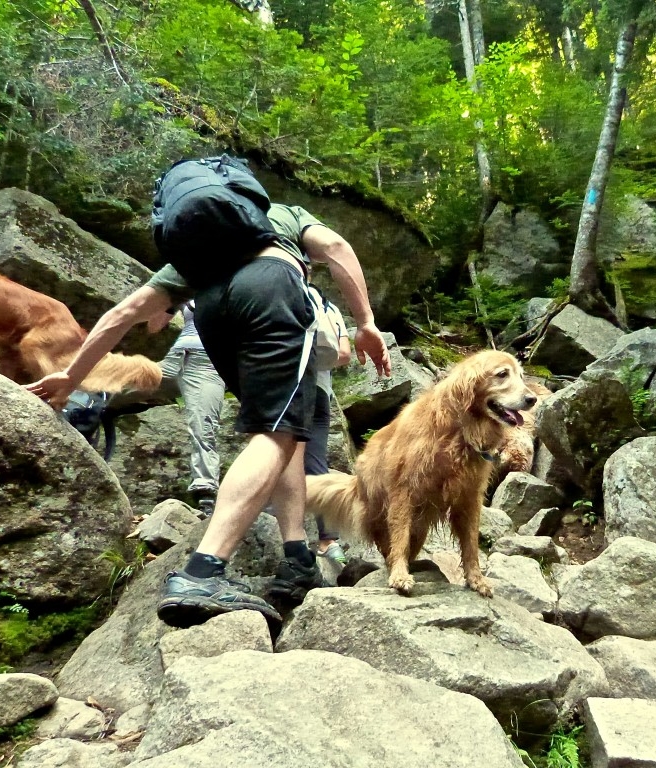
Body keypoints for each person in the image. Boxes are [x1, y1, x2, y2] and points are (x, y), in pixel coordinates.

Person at [26, 200, 391, 630]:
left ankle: (297, 559)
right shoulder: (283, 215)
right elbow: (334, 245)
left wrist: (72, 376)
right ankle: (203, 571)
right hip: (272, 287)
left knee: (283, 430)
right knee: (276, 436)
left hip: (213, 312)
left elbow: (123, 314)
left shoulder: (200, 247)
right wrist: (365, 321)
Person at [147, 301, 226, 517]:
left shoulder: (245, 283)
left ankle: (205, 494)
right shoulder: (191, 285)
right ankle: (82, 413)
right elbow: (153, 327)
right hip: (175, 358)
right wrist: (171, 302)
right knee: (116, 386)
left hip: (208, 363)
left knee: (203, 425)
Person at [303, 275, 352, 564]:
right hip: (321, 390)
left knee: (275, 457)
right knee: (315, 461)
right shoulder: (330, 308)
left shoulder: (283, 292)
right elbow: (344, 354)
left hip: (288, 383)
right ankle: (329, 539)